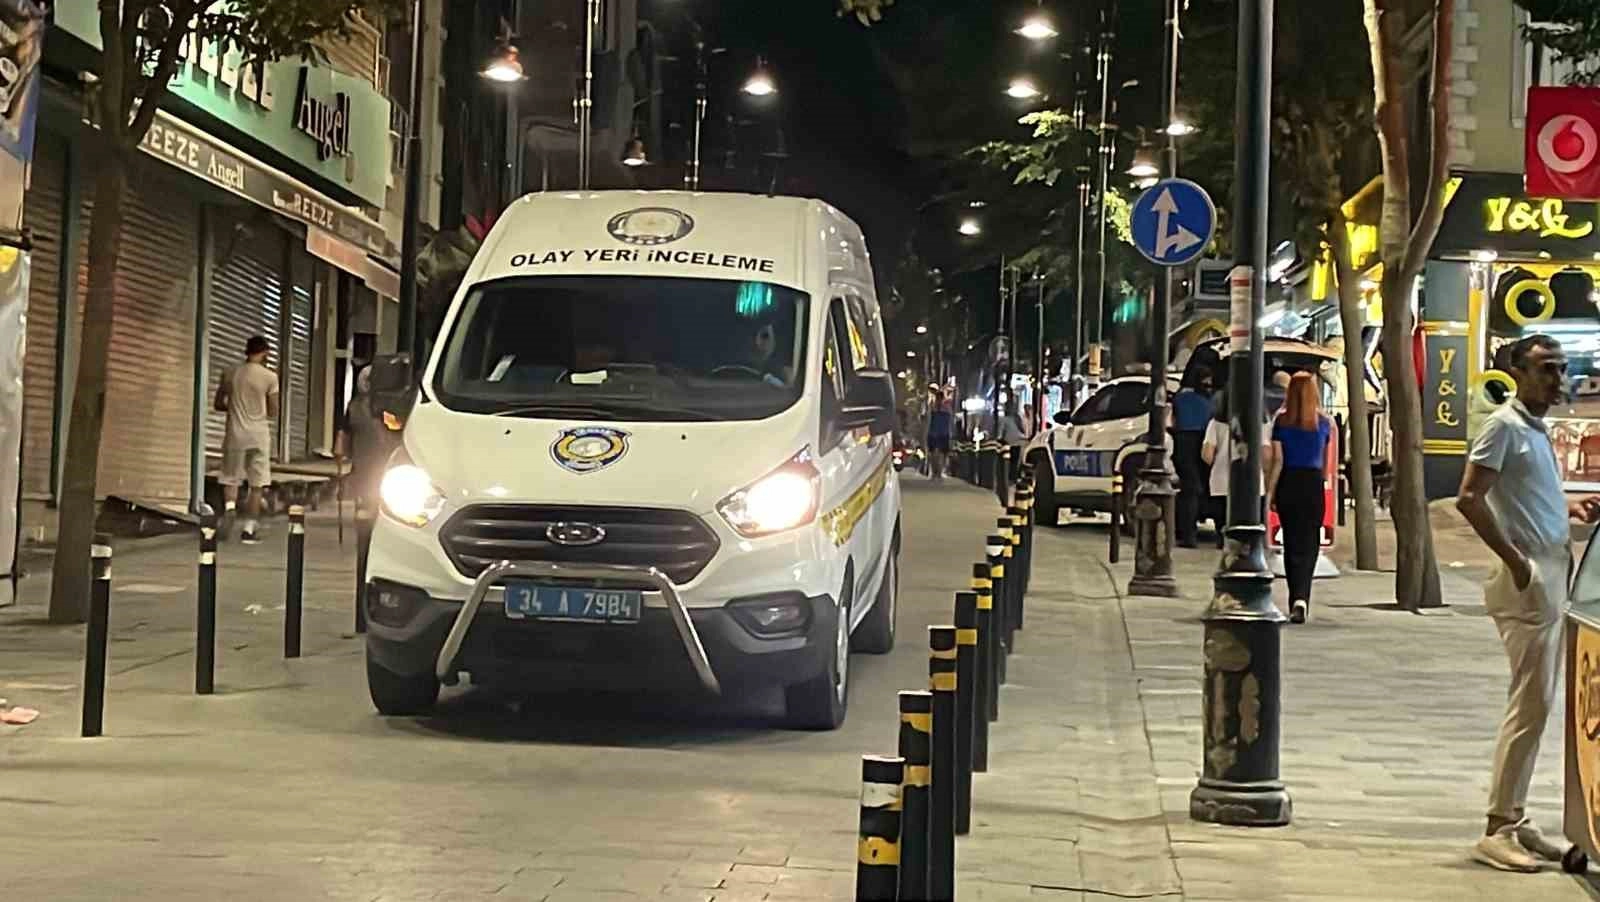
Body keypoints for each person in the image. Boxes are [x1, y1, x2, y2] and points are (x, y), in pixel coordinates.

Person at [1456, 334, 1600, 872]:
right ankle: (1497, 825)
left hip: (1552, 574)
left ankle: (1514, 815)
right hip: (1530, 581)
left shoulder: (1535, 431)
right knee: (1529, 704)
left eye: (1559, 369)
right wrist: (1517, 562)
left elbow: (1524, 496)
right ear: (1516, 372)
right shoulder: (1504, 427)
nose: (1556, 379)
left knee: (1538, 707)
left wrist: (1567, 509)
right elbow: (1470, 497)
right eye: (1545, 369)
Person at [1265, 372, 1331, 624]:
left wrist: (1271, 491)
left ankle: (1295, 597)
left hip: (1289, 482)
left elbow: (1278, 460)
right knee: (1310, 542)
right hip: (1312, 483)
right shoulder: (1323, 423)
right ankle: (1303, 596)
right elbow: (1324, 464)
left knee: (1291, 542)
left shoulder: (1281, 422)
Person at [214, 335, 278, 544]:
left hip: (235, 434)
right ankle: (249, 530)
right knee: (257, 484)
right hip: (258, 436)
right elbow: (273, 410)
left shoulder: (230, 372)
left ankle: (230, 509)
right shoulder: (270, 377)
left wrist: (234, 407)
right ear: (265, 353)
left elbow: (218, 403)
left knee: (230, 477)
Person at [1170, 370, 1215, 547]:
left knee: (1189, 489)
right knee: (1200, 488)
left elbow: (1172, 421)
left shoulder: (1180, 399)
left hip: (1183, 443)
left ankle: (1188, 534)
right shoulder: (1210, 402)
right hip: (1203, 442)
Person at [926, 388, 953, 482]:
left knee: (935, 454)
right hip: (942, 433)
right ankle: (938, 473)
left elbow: (928, 420)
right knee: (939, 454)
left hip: (935, 433)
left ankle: (936, 473)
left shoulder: (933, 407)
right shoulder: (946, 408)